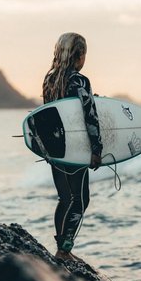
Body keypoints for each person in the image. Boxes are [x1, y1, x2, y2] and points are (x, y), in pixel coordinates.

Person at [42, 32, 103, 261]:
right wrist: (96, 150)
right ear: (79, 55)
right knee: (80, 199)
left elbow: (51, 114)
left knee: (64, 199)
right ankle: (65, 250)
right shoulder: (80, 81)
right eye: (84, 53)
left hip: (55, 147)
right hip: (75, 148)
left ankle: (61, 247)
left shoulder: (50, 79)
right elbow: (89, 117)